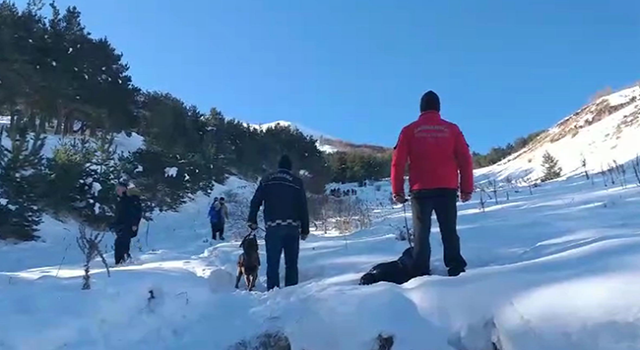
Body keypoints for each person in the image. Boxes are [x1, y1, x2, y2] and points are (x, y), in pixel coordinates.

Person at [391, 90, 474, 277]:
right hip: (447, 188)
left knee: (421, 233)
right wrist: (466, 188)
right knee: (449, 230)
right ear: (438, 108)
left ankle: (420, 270)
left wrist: (397, 191)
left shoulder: (409, 130)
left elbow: (398, 162)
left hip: (420, 190)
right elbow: (465, 159)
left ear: (421, 108)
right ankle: (455, 267)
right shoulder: (452, 129)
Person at [247, 155, 310, 291]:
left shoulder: (267, 180)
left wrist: (252, 219)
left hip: (273, 227)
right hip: (292, 228)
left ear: (279, 166)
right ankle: (291, 292)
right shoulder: (296, 181)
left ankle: (272, 292)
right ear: (290, 168)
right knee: (291, 263)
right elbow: (303, 206)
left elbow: (255, 201)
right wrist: (305, 229)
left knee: (273, 263)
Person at [112, 180, 143, 265]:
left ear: (124, 189)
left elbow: (136, 213)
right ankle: (121, 260)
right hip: (121, 225)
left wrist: (134, 224)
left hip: (128, 225)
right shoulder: (121, 200)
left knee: (122, 242)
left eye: (119, 188)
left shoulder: (130, 200)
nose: (117, 190)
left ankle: (123, 261)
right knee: (120, 243)